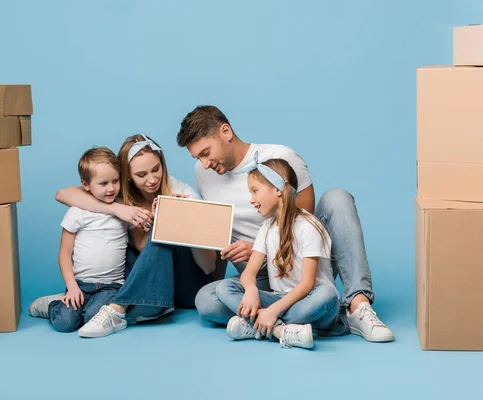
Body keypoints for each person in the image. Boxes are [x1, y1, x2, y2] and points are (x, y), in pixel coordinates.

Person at [177, 105, 393, 342]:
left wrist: (266, 247)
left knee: (337, 198)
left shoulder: (280, 157)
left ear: (225, 132)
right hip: (259, 276)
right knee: (206, 300)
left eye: (206, 153)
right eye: (198, 157)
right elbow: (217, 229)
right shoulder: (203, 173)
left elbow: (303, 219)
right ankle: (281, 326)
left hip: (301, 262)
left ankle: (357, 306)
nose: (204, 163)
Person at [31, 134, 217, 337]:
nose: (152, 179)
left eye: (156, 169)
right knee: (118, 241)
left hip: (185, 286)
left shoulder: (181, 191)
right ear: (127, 176)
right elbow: (63, 194)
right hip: (149, 280)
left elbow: (209, 266)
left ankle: (118, 308)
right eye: (141, 174)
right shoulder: (120, 193)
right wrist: (118, 210)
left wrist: (179, 219)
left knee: (162, 232)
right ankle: (80, 300)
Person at [217, 156, 344, 350]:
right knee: (224, 288)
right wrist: (251, 290)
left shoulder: (309, 226)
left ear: (277, 190)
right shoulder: (267, 228)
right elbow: (248, 274)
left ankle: (257, 325)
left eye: (255, 191)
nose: (251, 200)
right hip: (279, 298)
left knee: (327, 295)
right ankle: (280, 331)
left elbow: (307, 285)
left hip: (311, 303)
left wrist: (273, 310)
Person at [28, 147, 127, 333]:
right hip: (81, 283)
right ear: (85, 184)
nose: (111, 188)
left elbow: (142, 228)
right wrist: (72, 287)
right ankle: (53, 305)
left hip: (111, 285)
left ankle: (79, 306)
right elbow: (64, 254)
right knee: (64, 323)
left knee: (93, 318)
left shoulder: (124, 210)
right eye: (103, 183)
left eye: (115, 181)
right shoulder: (77, 212)